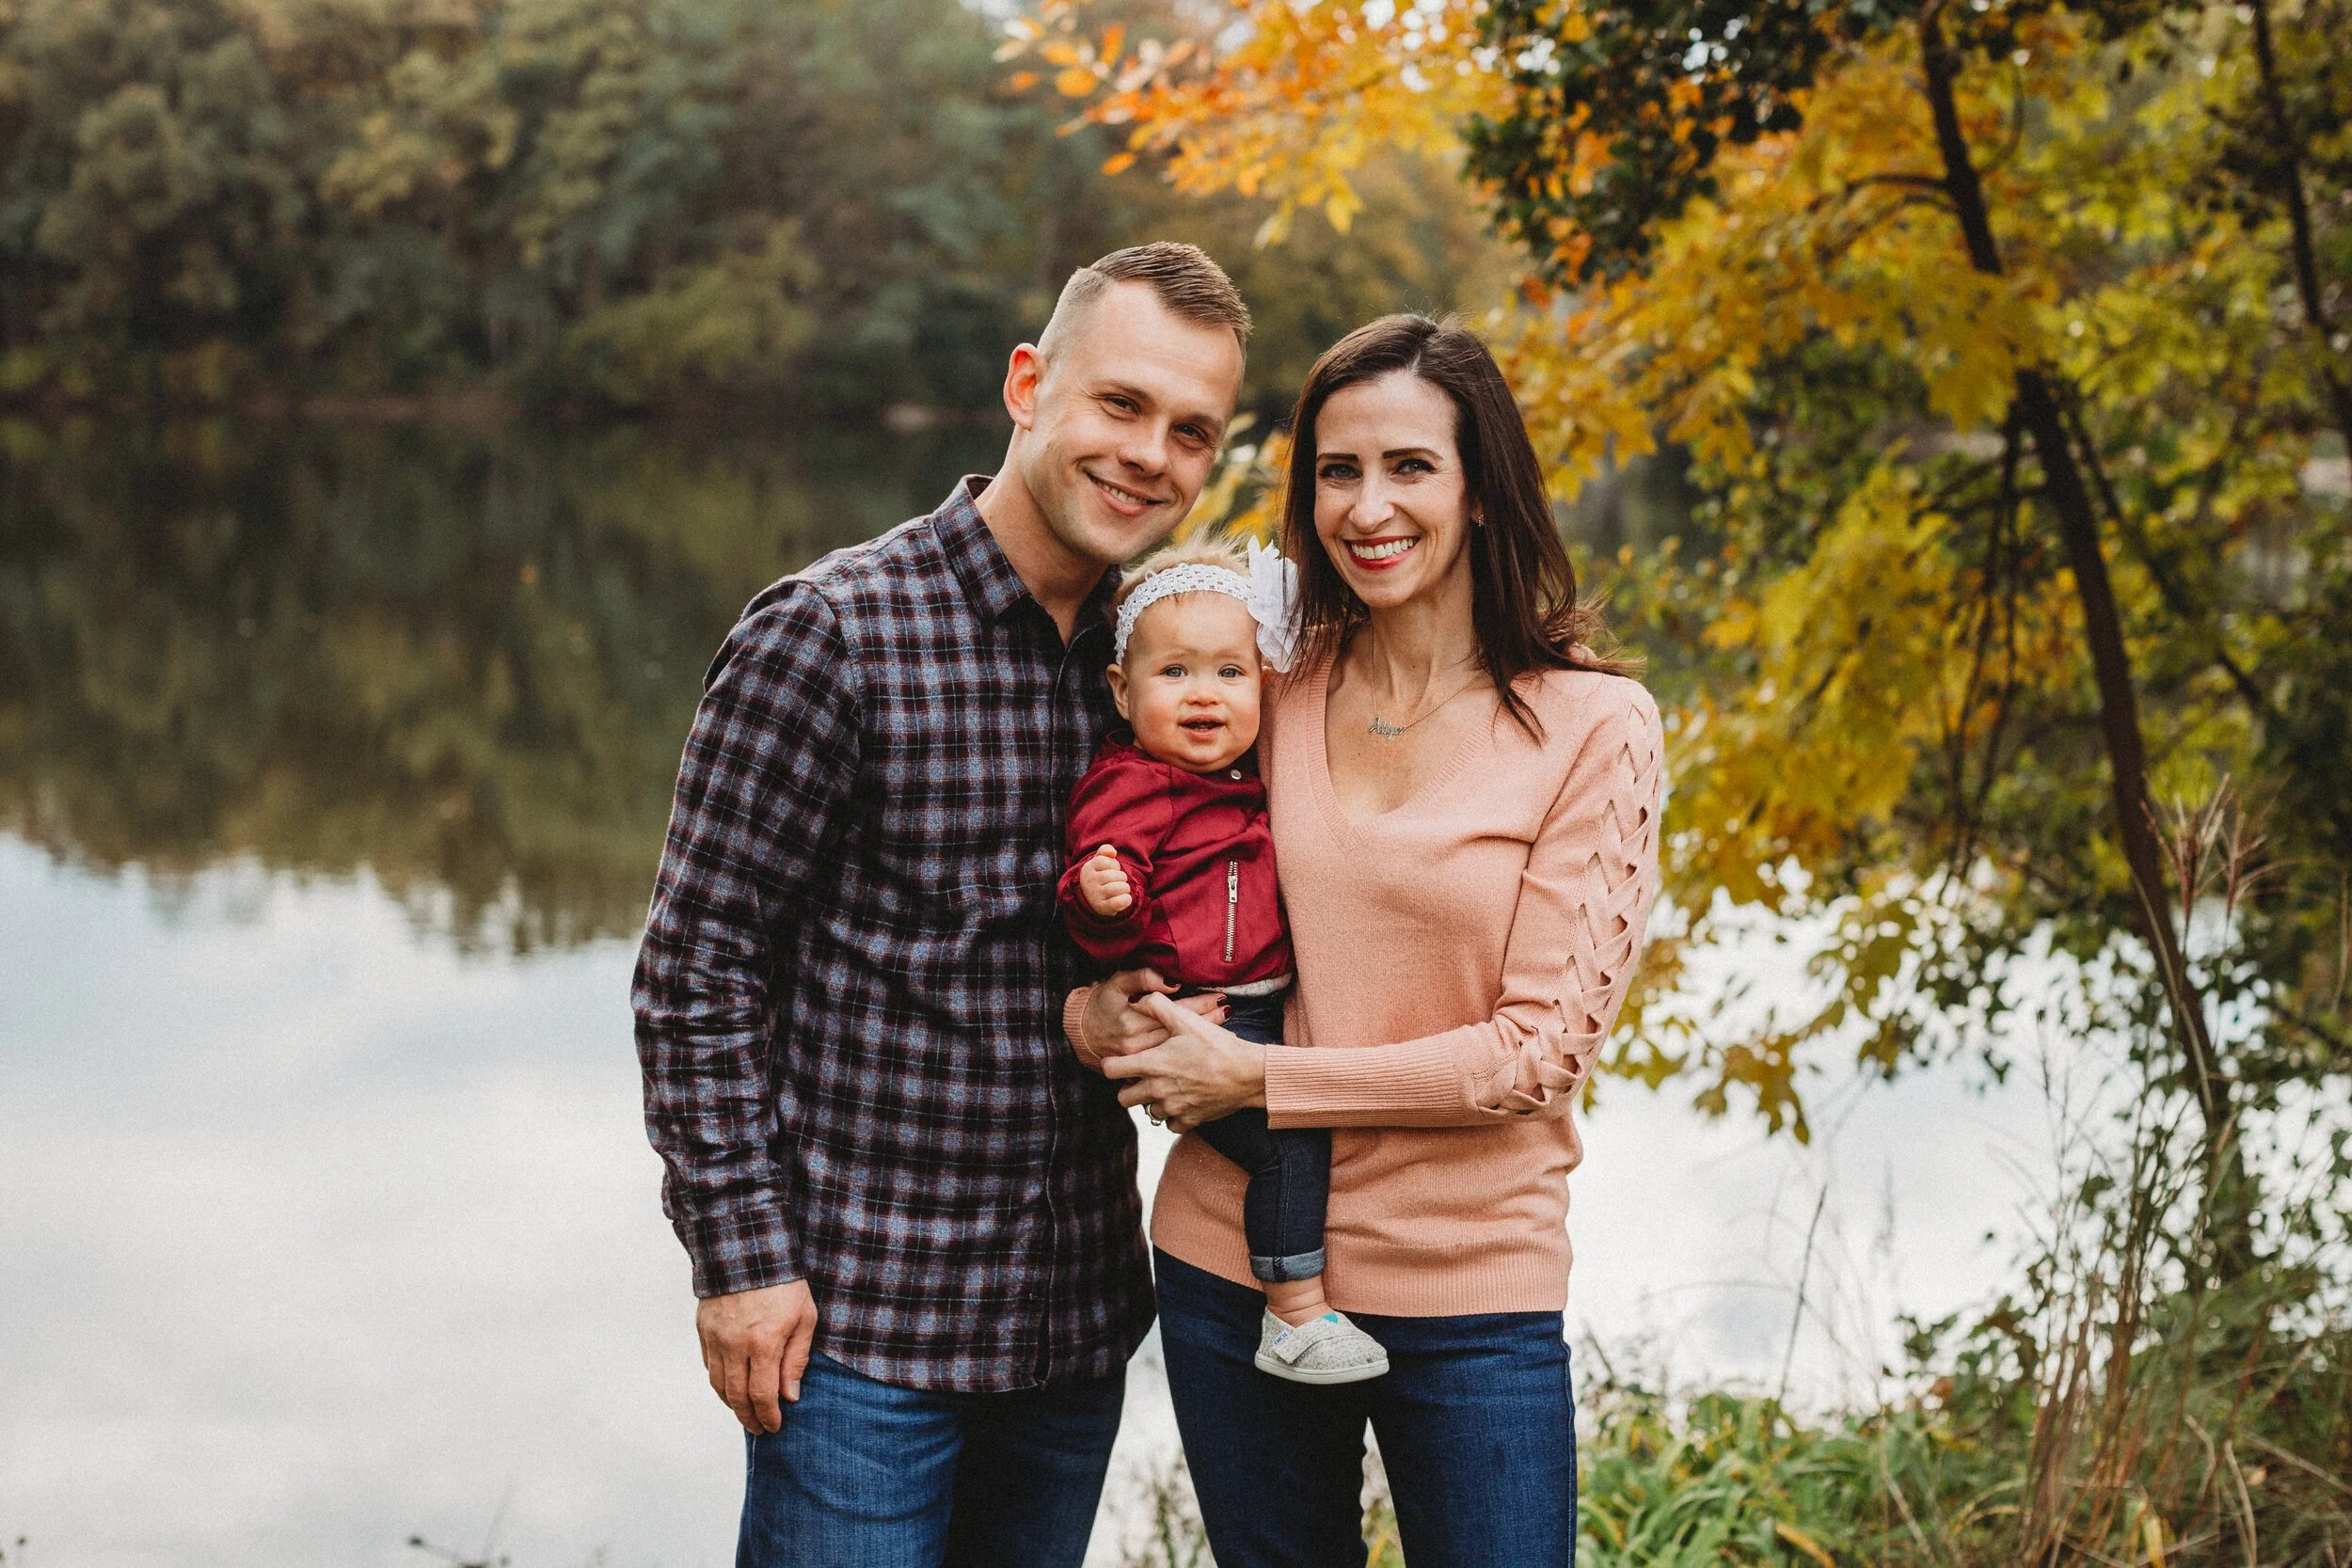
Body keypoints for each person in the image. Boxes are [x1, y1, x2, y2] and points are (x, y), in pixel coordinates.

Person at [632, 242, 1248, 1568]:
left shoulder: (1164, 672)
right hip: (861, 1332)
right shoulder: (832, 630)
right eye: (1121, 404)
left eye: (1191, 431)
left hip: (1069, 1326)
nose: (1151, 454)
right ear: (1030, 384)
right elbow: (696, 972)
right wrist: (739, 1260)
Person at [1069, 314, 1665, 1568]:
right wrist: (1101, 1010)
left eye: (1410, 466)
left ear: (1482, 490)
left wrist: (1260, 1080)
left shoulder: (1593, 726)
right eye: (1338, 471)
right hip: (1232, 1266)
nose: (1368, 507)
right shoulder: (1272, 684)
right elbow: (1142, 869)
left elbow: (1540, 1051)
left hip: (1470, 1281)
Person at [1056, 540, 1388, 1386]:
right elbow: (1102, 883)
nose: (1204, 693)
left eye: (1230, 674)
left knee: (1297, 1119)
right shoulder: (1135, 781)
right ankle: (1295, 1309)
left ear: (1264, 687)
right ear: (1123, 692)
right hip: (1199, 1014)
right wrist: (1104, 893)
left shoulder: (1248, 777)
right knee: (1288, 1139)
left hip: (1259, 1005)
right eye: (1174, 673)